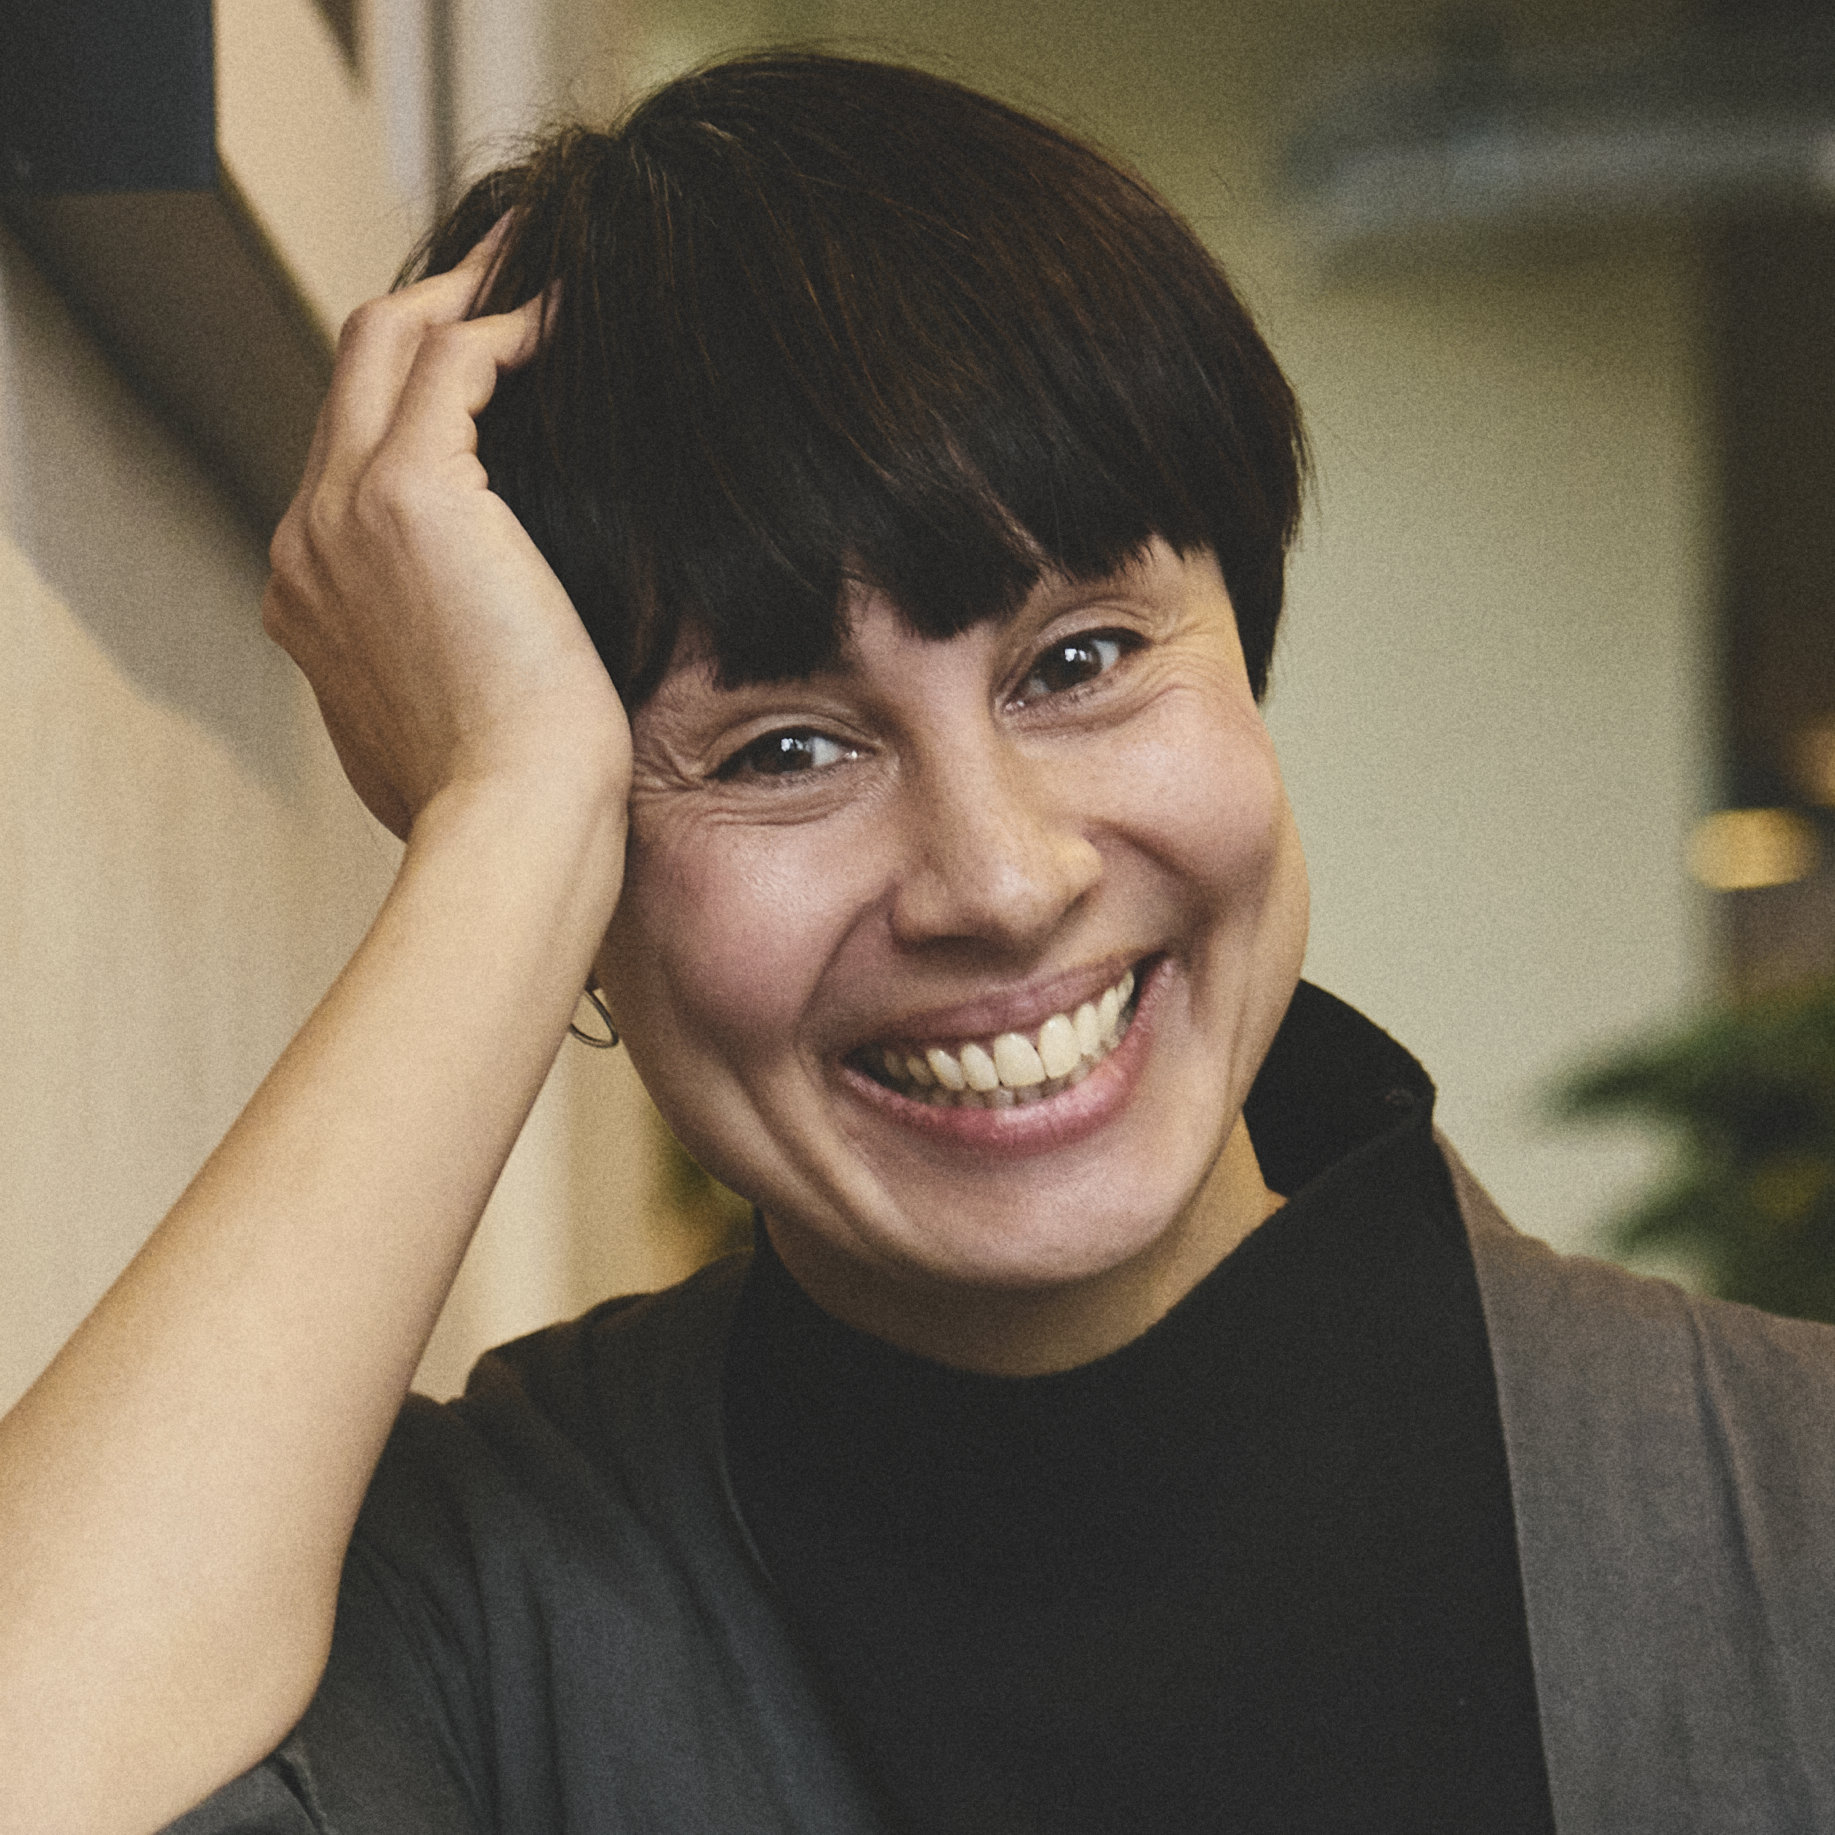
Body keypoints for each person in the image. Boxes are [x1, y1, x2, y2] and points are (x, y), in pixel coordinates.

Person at [3, 49, 1834, 1835]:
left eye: (1081, 660)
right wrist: (498, 828)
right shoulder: (480, 1604)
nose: (1003, 878)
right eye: (781, 749)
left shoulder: (1787, 1501)